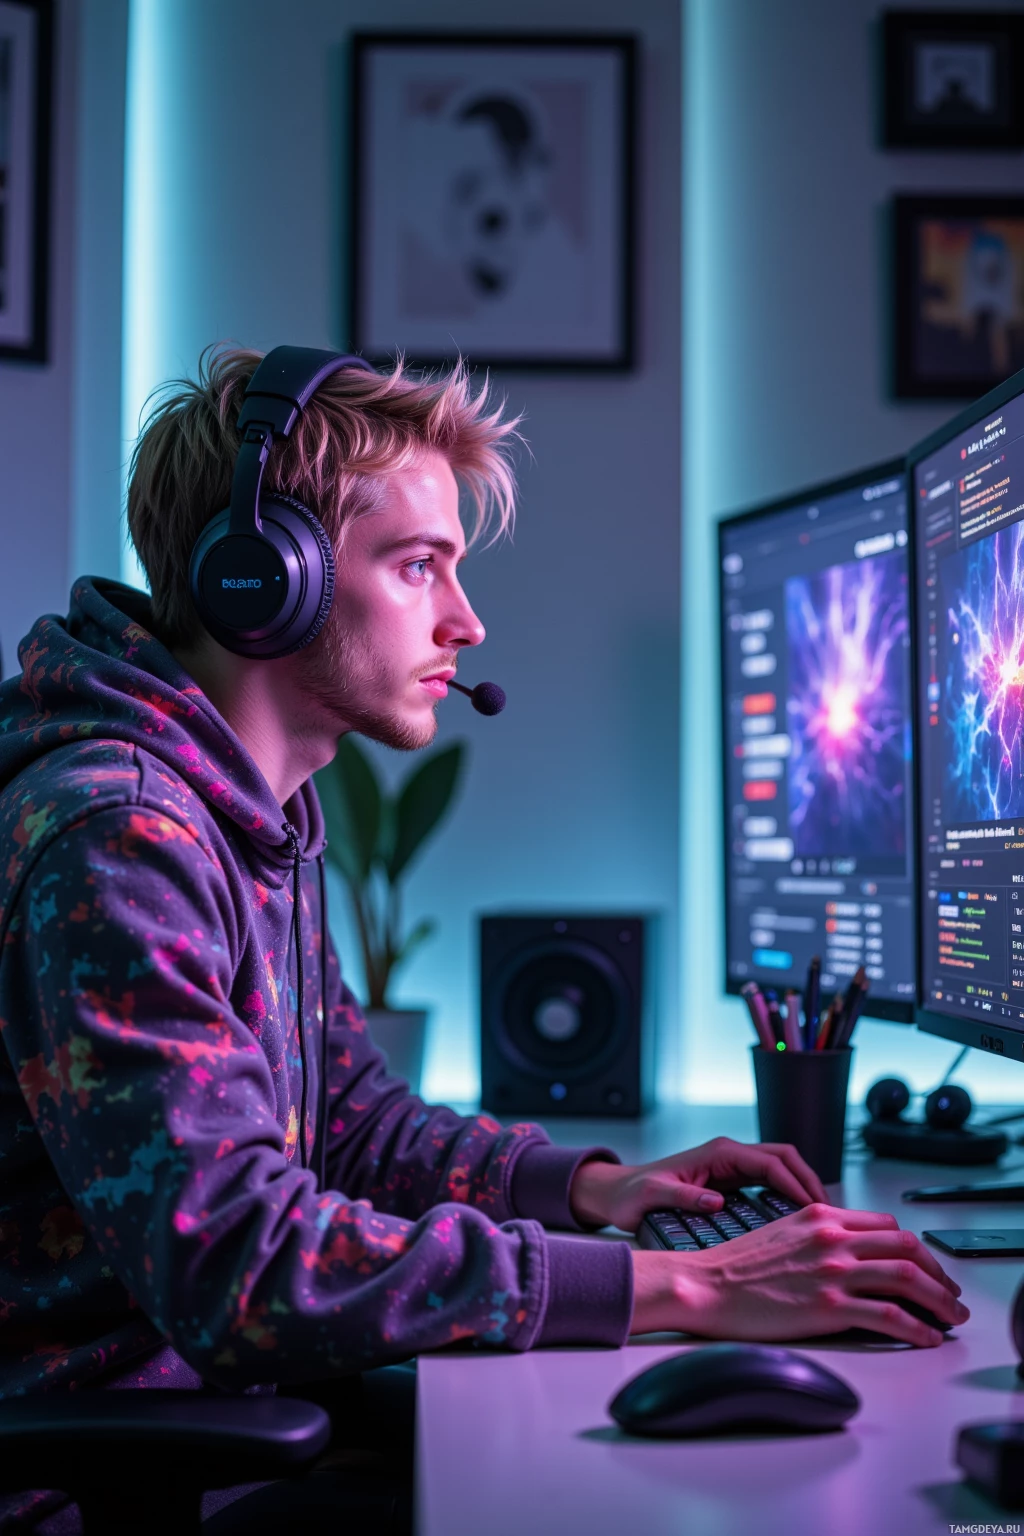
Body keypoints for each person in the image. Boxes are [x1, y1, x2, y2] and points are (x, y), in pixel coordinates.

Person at [0, 347, 967, 1530]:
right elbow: (236, 1263)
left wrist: (599, 1189)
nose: (466, 620)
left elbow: (346, 1124)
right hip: (119, 1473)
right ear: (264, 580)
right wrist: (689, 1285)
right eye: (418, 567)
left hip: (231, 1418)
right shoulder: (121, 838)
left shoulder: (250, 813)